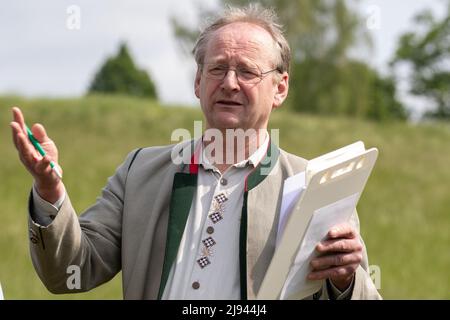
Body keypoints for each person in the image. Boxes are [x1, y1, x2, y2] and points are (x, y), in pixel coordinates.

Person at [10, 4, 380, 300]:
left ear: (280, 88)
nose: (230, 83)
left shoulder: (314, 185)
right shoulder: (140, 171)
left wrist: (345, 281)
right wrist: (49, 189)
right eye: (217, 68)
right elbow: (71, 272)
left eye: (247, 72)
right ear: (198, 81)